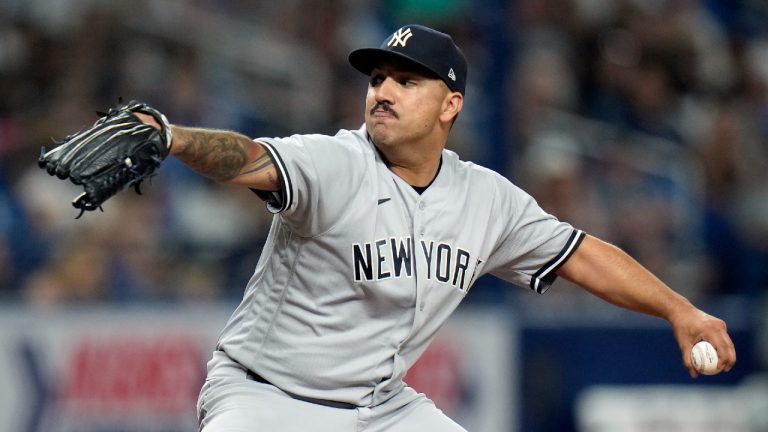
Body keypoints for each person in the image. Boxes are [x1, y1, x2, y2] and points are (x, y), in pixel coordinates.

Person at [136, 24, 735, 432]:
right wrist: (173, 137)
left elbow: (581, 255)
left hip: (381, 409)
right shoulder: (337, 162)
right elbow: (249, 158)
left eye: (407, 80)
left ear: (451, 104)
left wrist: (680, 310)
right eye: (377, 80)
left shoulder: (485, 198)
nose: (383, 92)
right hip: (265, 398)